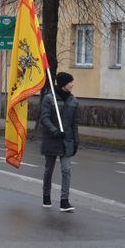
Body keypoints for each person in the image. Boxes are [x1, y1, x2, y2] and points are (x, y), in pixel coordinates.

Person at [40, 72, 79, 212]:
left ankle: (64, 200)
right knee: (49, 170)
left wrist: (76, 141)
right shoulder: (49, 99)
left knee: (66, 170)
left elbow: (74, 124)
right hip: (52, 140)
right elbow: (44, 119)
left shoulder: (73, 101)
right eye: (70, 82)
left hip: (66, 141)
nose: (72, 84)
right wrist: (54, 131)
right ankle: (46, 196)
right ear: (63, 83)